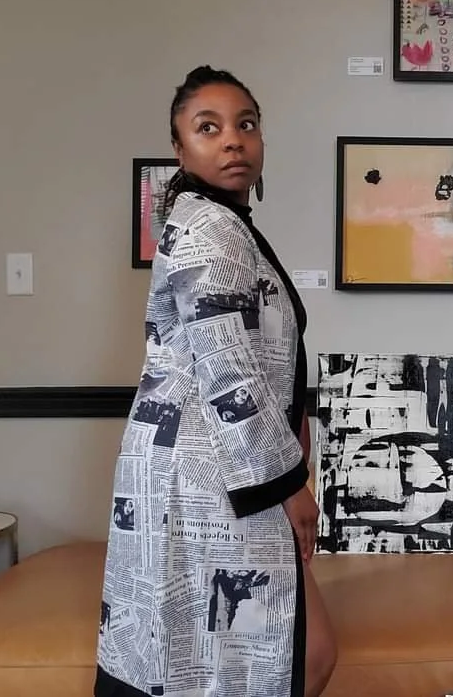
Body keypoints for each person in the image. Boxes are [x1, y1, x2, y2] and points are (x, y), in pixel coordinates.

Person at [94, 65, 337, 697]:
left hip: (209, 473)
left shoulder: (218, 222)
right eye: (209, 128)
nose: (233, 140)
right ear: (180, 149)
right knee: (251, 663)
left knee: (267, 658)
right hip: (215, 482)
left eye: (246, 125)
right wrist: (291, 486)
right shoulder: (210, 227)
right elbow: (228, 365)